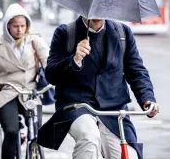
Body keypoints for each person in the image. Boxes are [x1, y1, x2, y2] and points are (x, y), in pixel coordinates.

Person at [38, 16, 159, 159]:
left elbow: (136, 71)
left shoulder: (122, 33)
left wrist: (147, 99)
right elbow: (51, 75)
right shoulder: (65, 32)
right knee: (89, 138)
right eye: (92, 11)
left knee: (128, 155)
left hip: (113, 109)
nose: (97, 15)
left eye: (101, 10)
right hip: (77, 106)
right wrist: (74, 60)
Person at [0, 3, 49, 159]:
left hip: (30, 92)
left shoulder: (35, 41)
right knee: (11, 131)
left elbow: (49, 62)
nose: (19, 30)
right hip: (6, 91)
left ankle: (34, 149)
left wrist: (56, 77)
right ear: (7, 26)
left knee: (38, 130)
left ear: (27, 26)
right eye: (15, 26)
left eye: (22, 26)